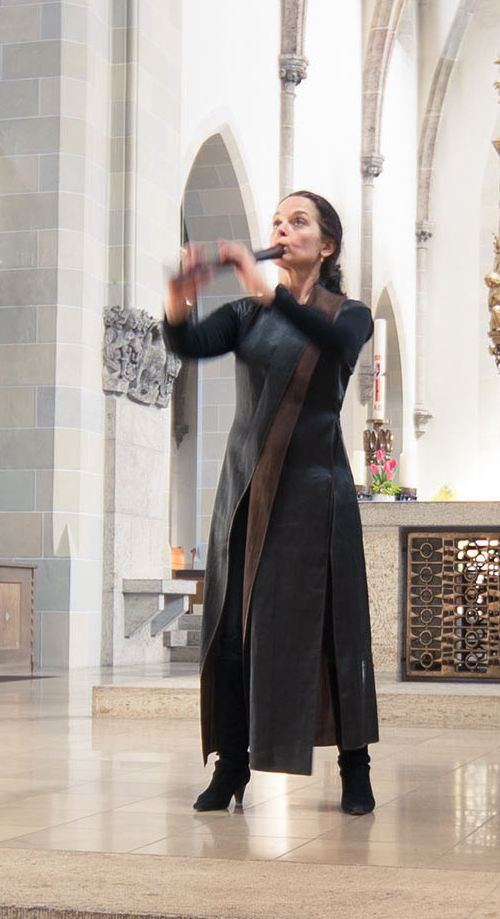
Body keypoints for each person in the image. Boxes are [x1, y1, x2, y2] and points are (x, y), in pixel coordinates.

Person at [162, 191, 379, 815]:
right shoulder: (245, 313)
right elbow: (188, 344)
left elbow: (331, 348)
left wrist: (269, 294)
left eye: (298, 222)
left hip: (316, 489)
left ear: (327, 245)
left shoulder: (349, 314)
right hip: (246, 485)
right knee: (234, 625)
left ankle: (355, 767)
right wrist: (179, 295)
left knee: (333, 629)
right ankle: (231, 766)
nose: (282, 230)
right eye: (277, 222)